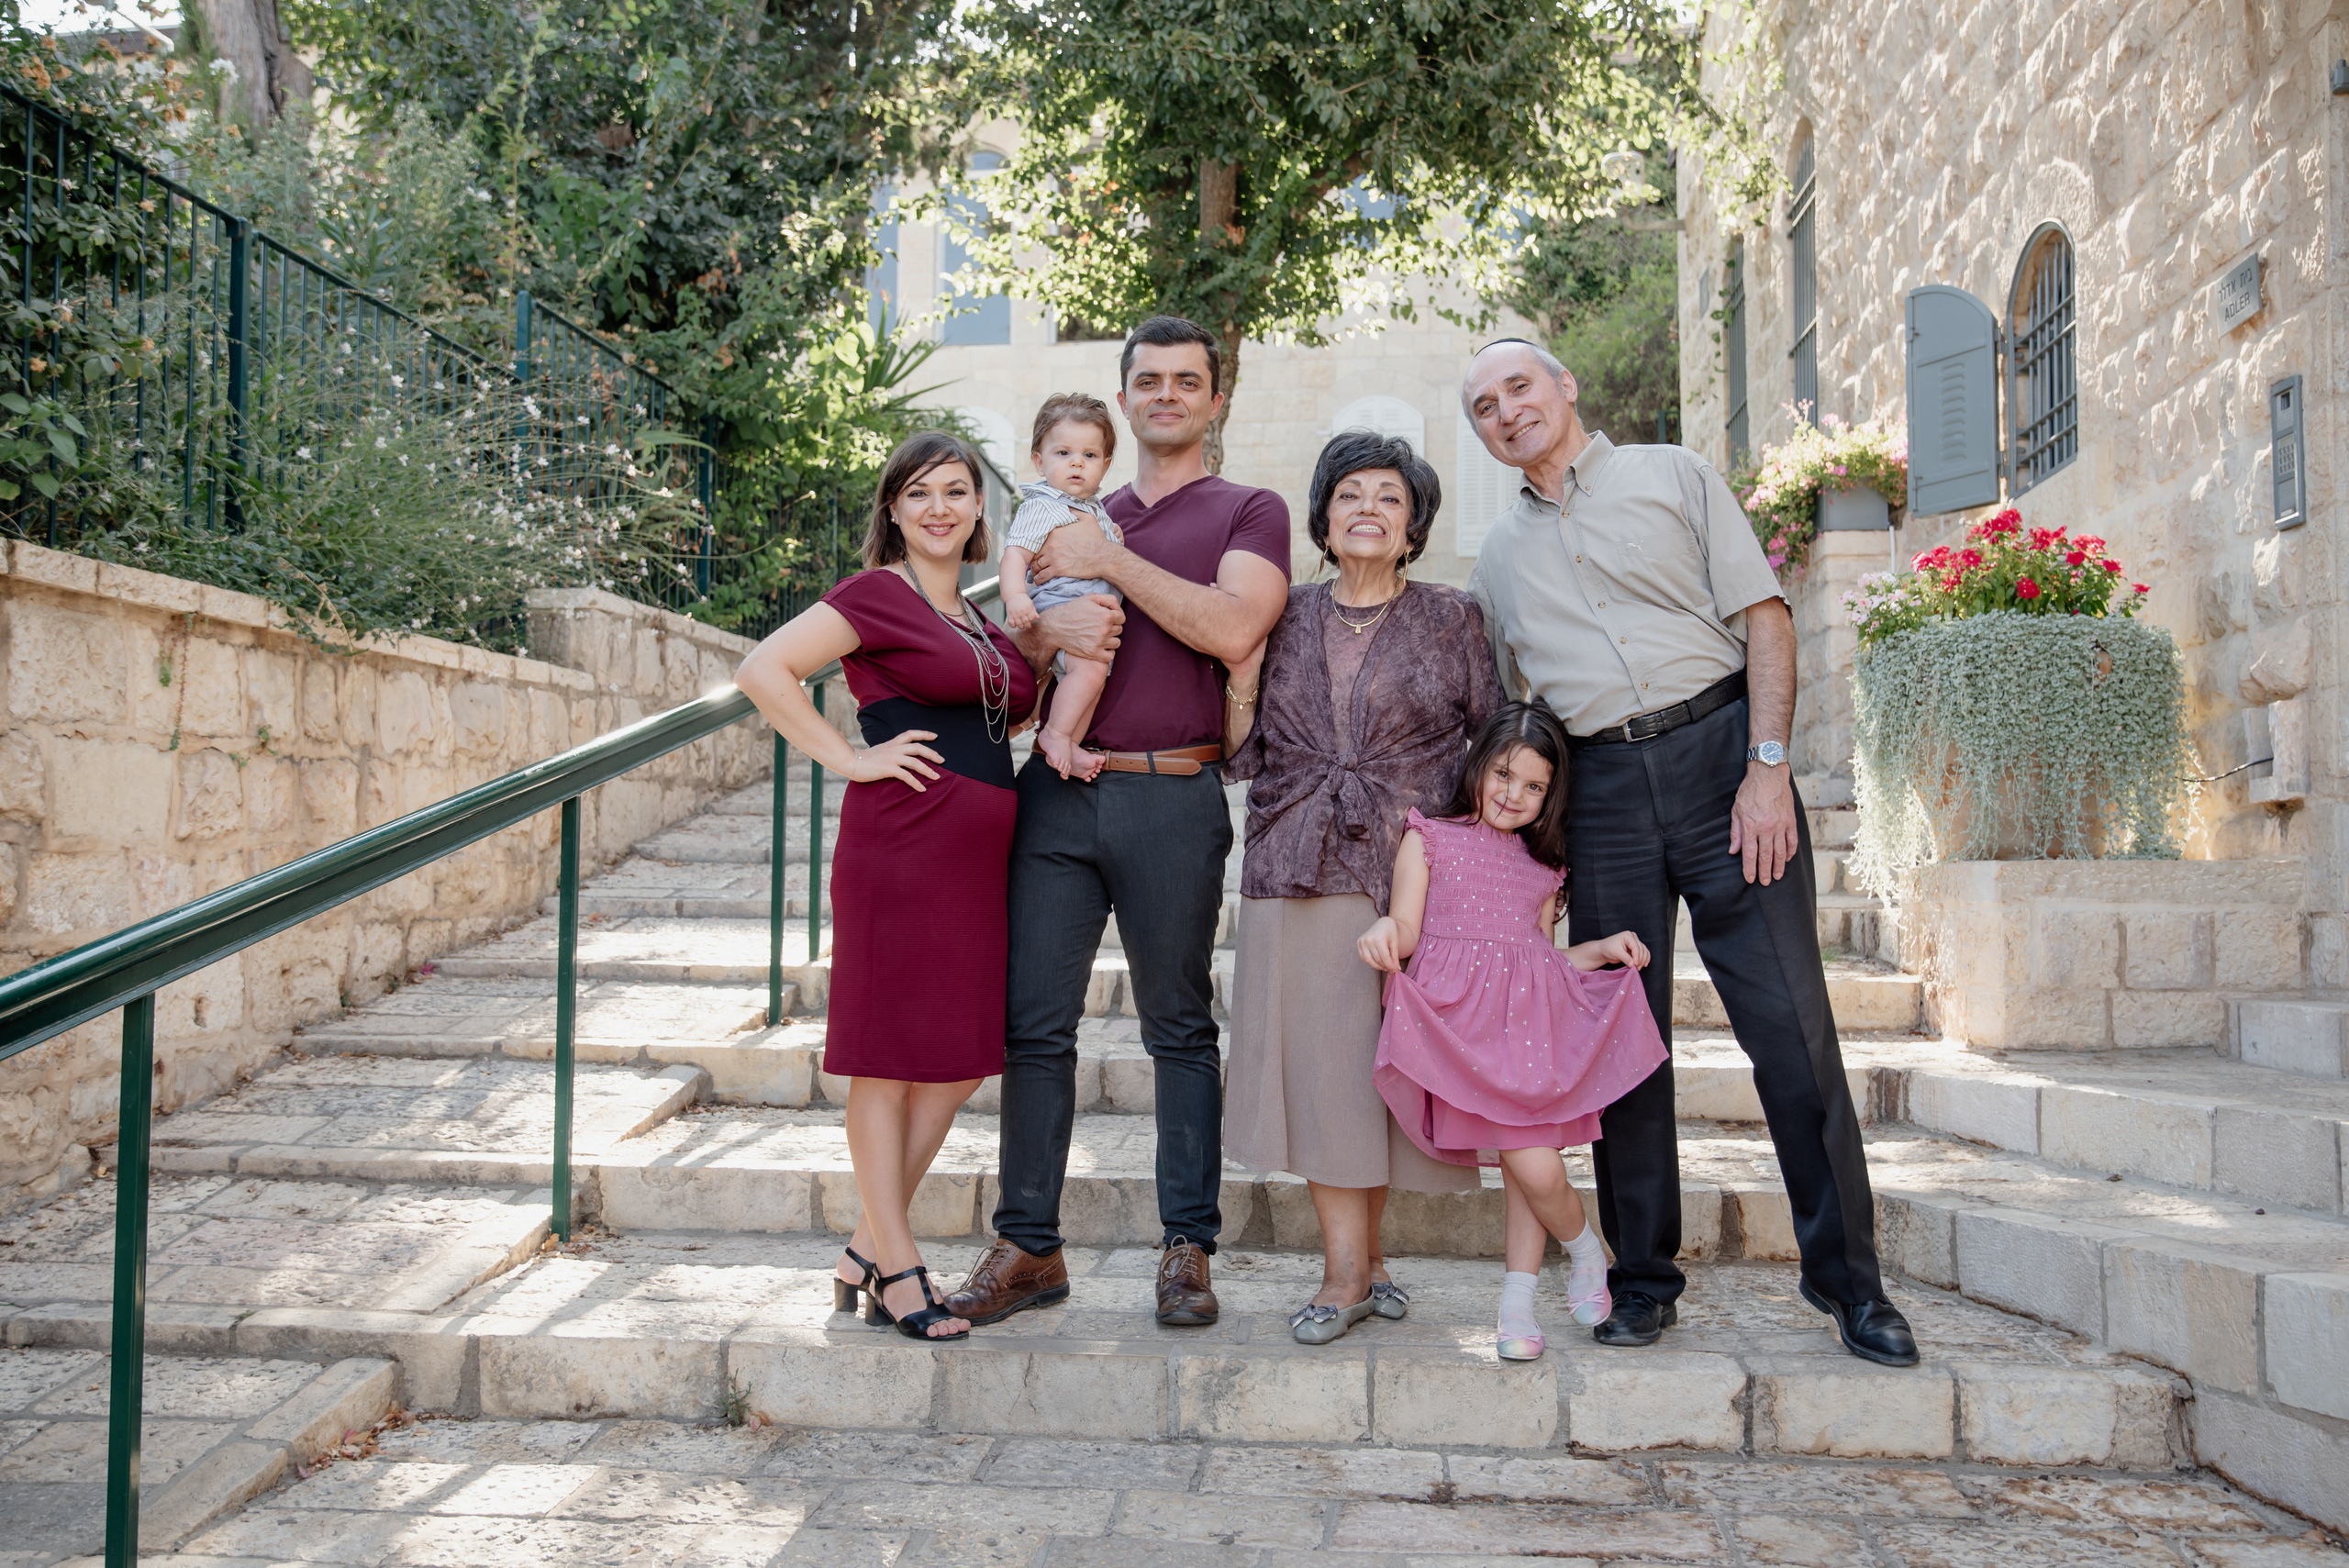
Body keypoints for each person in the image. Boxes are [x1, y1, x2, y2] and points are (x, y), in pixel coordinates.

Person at [1459, 338, 1920, 1368]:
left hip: (1724, 762)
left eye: (1519, 386)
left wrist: (1768, 767)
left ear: (1565, 384)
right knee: (1623, 1046)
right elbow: (1511, 721)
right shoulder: (1495, 562)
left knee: (1792, 1030)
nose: (1506, 410)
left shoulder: (1673, 474)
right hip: (1600, 793)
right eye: (1483, 405)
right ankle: (1642, 1278)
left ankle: (1850, 1283)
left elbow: (1765, 617)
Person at [945, 316, 1289, 1330]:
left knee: (1178, 1026)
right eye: (1149, 380)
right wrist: (1041, 630)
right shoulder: (1066, 504)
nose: (1166, 395)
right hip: (1058, 792)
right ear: (1125, 395)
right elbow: (1020, 666)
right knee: (1033, 1025)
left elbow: (1235, 625)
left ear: (1215, 398)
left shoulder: (1247, 509)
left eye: (1186, 380)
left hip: (1172, 792)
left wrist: (1111, 559)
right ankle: (1028, 1245)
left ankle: (1187, 1248)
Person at [734, 430, 1040, 1343]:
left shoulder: (978, 617)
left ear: (978, 506)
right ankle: (899, 1269)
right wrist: (850, 758)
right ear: (894, 511)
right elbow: (762, 669)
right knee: (889, 1060)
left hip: (977, 860)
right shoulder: (875, 595)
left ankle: (866, 1245)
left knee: (960, 1059)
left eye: (956, 491)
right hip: (902, 848)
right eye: (919, 493)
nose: (939, 508)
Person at [1219, 429, 1502, 1347]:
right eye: (1349, 494)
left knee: (1374, 1078)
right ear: (1323, 517)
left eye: (1389, 495)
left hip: (1410, 874)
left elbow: (1494, 740)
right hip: (1295, 864)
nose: (1367, 509)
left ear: (1414, 524)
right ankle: (1345, 1273)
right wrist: (1238, 680)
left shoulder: (1453, 616)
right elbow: (1239, 753)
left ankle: (1369, 1261)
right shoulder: (1285, 613)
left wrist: (1501, 867)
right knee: (1324, 1073)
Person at [1361, 701, 1667, 1360]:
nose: (1513, 794)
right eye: (1503, 774)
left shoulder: (1544, 867)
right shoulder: (1429, 837)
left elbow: (1539, 958)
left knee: (1533, 1167)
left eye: (1534, 786)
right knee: (1533, 1166)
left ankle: (1520, 1308)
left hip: (1526, 1033)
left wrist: (1599, 949)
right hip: (1461, 1035)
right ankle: (1585, 1251)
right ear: (1479, 764)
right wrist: (1386, 928)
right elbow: (1408, 927)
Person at [1000, 394, 1124, 782]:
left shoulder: (1094, 509)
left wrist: (1114, 539)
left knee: (1093, 679)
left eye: (1089, 455)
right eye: (1064, 453)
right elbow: (1014, 555)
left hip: (1092, 620)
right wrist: (1015, 597)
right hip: (1060, 606)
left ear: (1105, 465)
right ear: (1040, 462)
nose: (1076, 463)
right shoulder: (1043, 506)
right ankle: (1054, 733)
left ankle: (1068, 741)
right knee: (1089, 674)